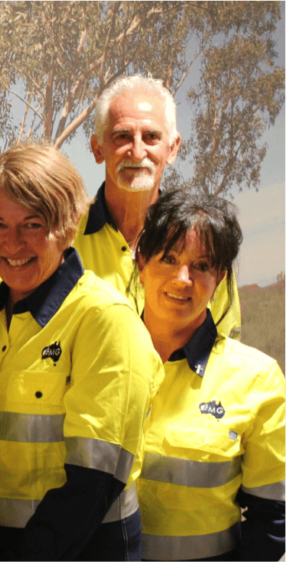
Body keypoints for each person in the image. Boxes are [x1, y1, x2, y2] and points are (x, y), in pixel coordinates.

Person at [0, 144, 161, 560]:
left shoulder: (105, 320)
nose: (13, 242)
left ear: (68, 227)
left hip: (81, 547)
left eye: (33, 224)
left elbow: (92, 486)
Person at [133, 190, 285, 562]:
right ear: (141, 263)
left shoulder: (258, 379)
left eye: (201, 266)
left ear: (219, 277)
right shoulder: (97, 361)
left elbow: (273, 519)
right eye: (169, 258)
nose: (184, 278)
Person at [76, 74, 240, 339]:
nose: (137, 152)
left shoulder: (208, 243)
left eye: (151, 136)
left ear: (173, 148)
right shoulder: (61, 240)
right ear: (98, 149)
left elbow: (222, 354)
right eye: (122, 136)